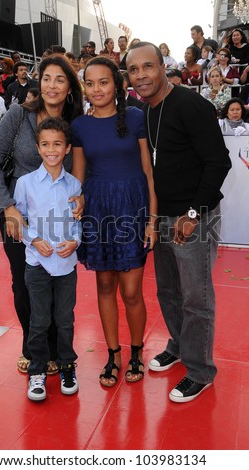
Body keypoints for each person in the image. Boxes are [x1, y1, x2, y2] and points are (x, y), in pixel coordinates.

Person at [126, 42, 231, 403]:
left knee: (195, 299)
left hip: (193, 219)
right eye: (134, 70)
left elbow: (219, 162)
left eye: (147, 66)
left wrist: (191, 214)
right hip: (162, 217)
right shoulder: (145, 111)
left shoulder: (191, 105)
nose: (141, 75)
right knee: (168, 292)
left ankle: (200, 370)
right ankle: (179, 345)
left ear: (162, 67)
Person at [0, 55, 84, 375]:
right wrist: (8, 207)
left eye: (60, 80)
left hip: (58, 219)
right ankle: (32, 346)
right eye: (47, 78)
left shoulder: (76, 122)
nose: (52, 86)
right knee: (25, 285)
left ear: (69, 87)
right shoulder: (17, 115)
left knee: (58, 282)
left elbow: (82, 167)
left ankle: (55, 350)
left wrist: (81, 196)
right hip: (19, 216)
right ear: (40, 82)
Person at [71, 56, 158, 387]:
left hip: (132, 208)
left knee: (132, 290)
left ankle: (137, 351)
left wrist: (151, 220)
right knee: (104, 286)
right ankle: (113, 354)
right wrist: (75, 204)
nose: (96, 89)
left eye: (103, 82)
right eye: (89, 84)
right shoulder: (79, 126)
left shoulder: (136, 117)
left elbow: (148, 173)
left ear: (118, 85)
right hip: (98, 210)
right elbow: (78, 177)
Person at [14, 117, 82, 401]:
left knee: (65, 320)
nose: (51, 149)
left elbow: (78, 221)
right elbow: (18, 221)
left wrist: (75, 240)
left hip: (66, 266)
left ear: (67, 148)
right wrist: (34, 240)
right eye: (45, 144)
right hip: (37, 265)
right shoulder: (25, 183)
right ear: (38, 148)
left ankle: (67, 366)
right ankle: (38, 371)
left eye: (57, 144)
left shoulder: (74, 184)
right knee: (39, 321)